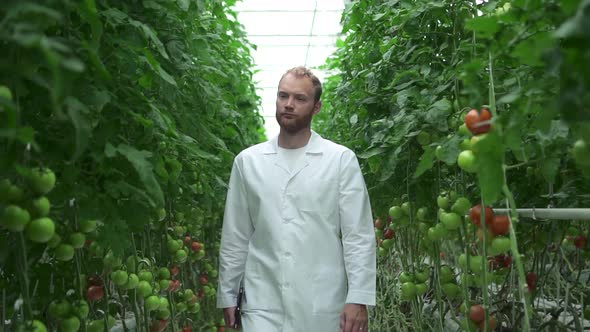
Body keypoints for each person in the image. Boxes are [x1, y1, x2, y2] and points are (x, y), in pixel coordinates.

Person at [216, 66, 376, 332]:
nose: (289, 105)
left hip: (322, 302)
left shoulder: (339, 160)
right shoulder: (248, 162)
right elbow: (236, 235)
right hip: (262, 302)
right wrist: (228, 294)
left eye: (300, 99)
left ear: (316, 107)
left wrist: (358, 298)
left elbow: (357, 235)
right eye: (283, 96)